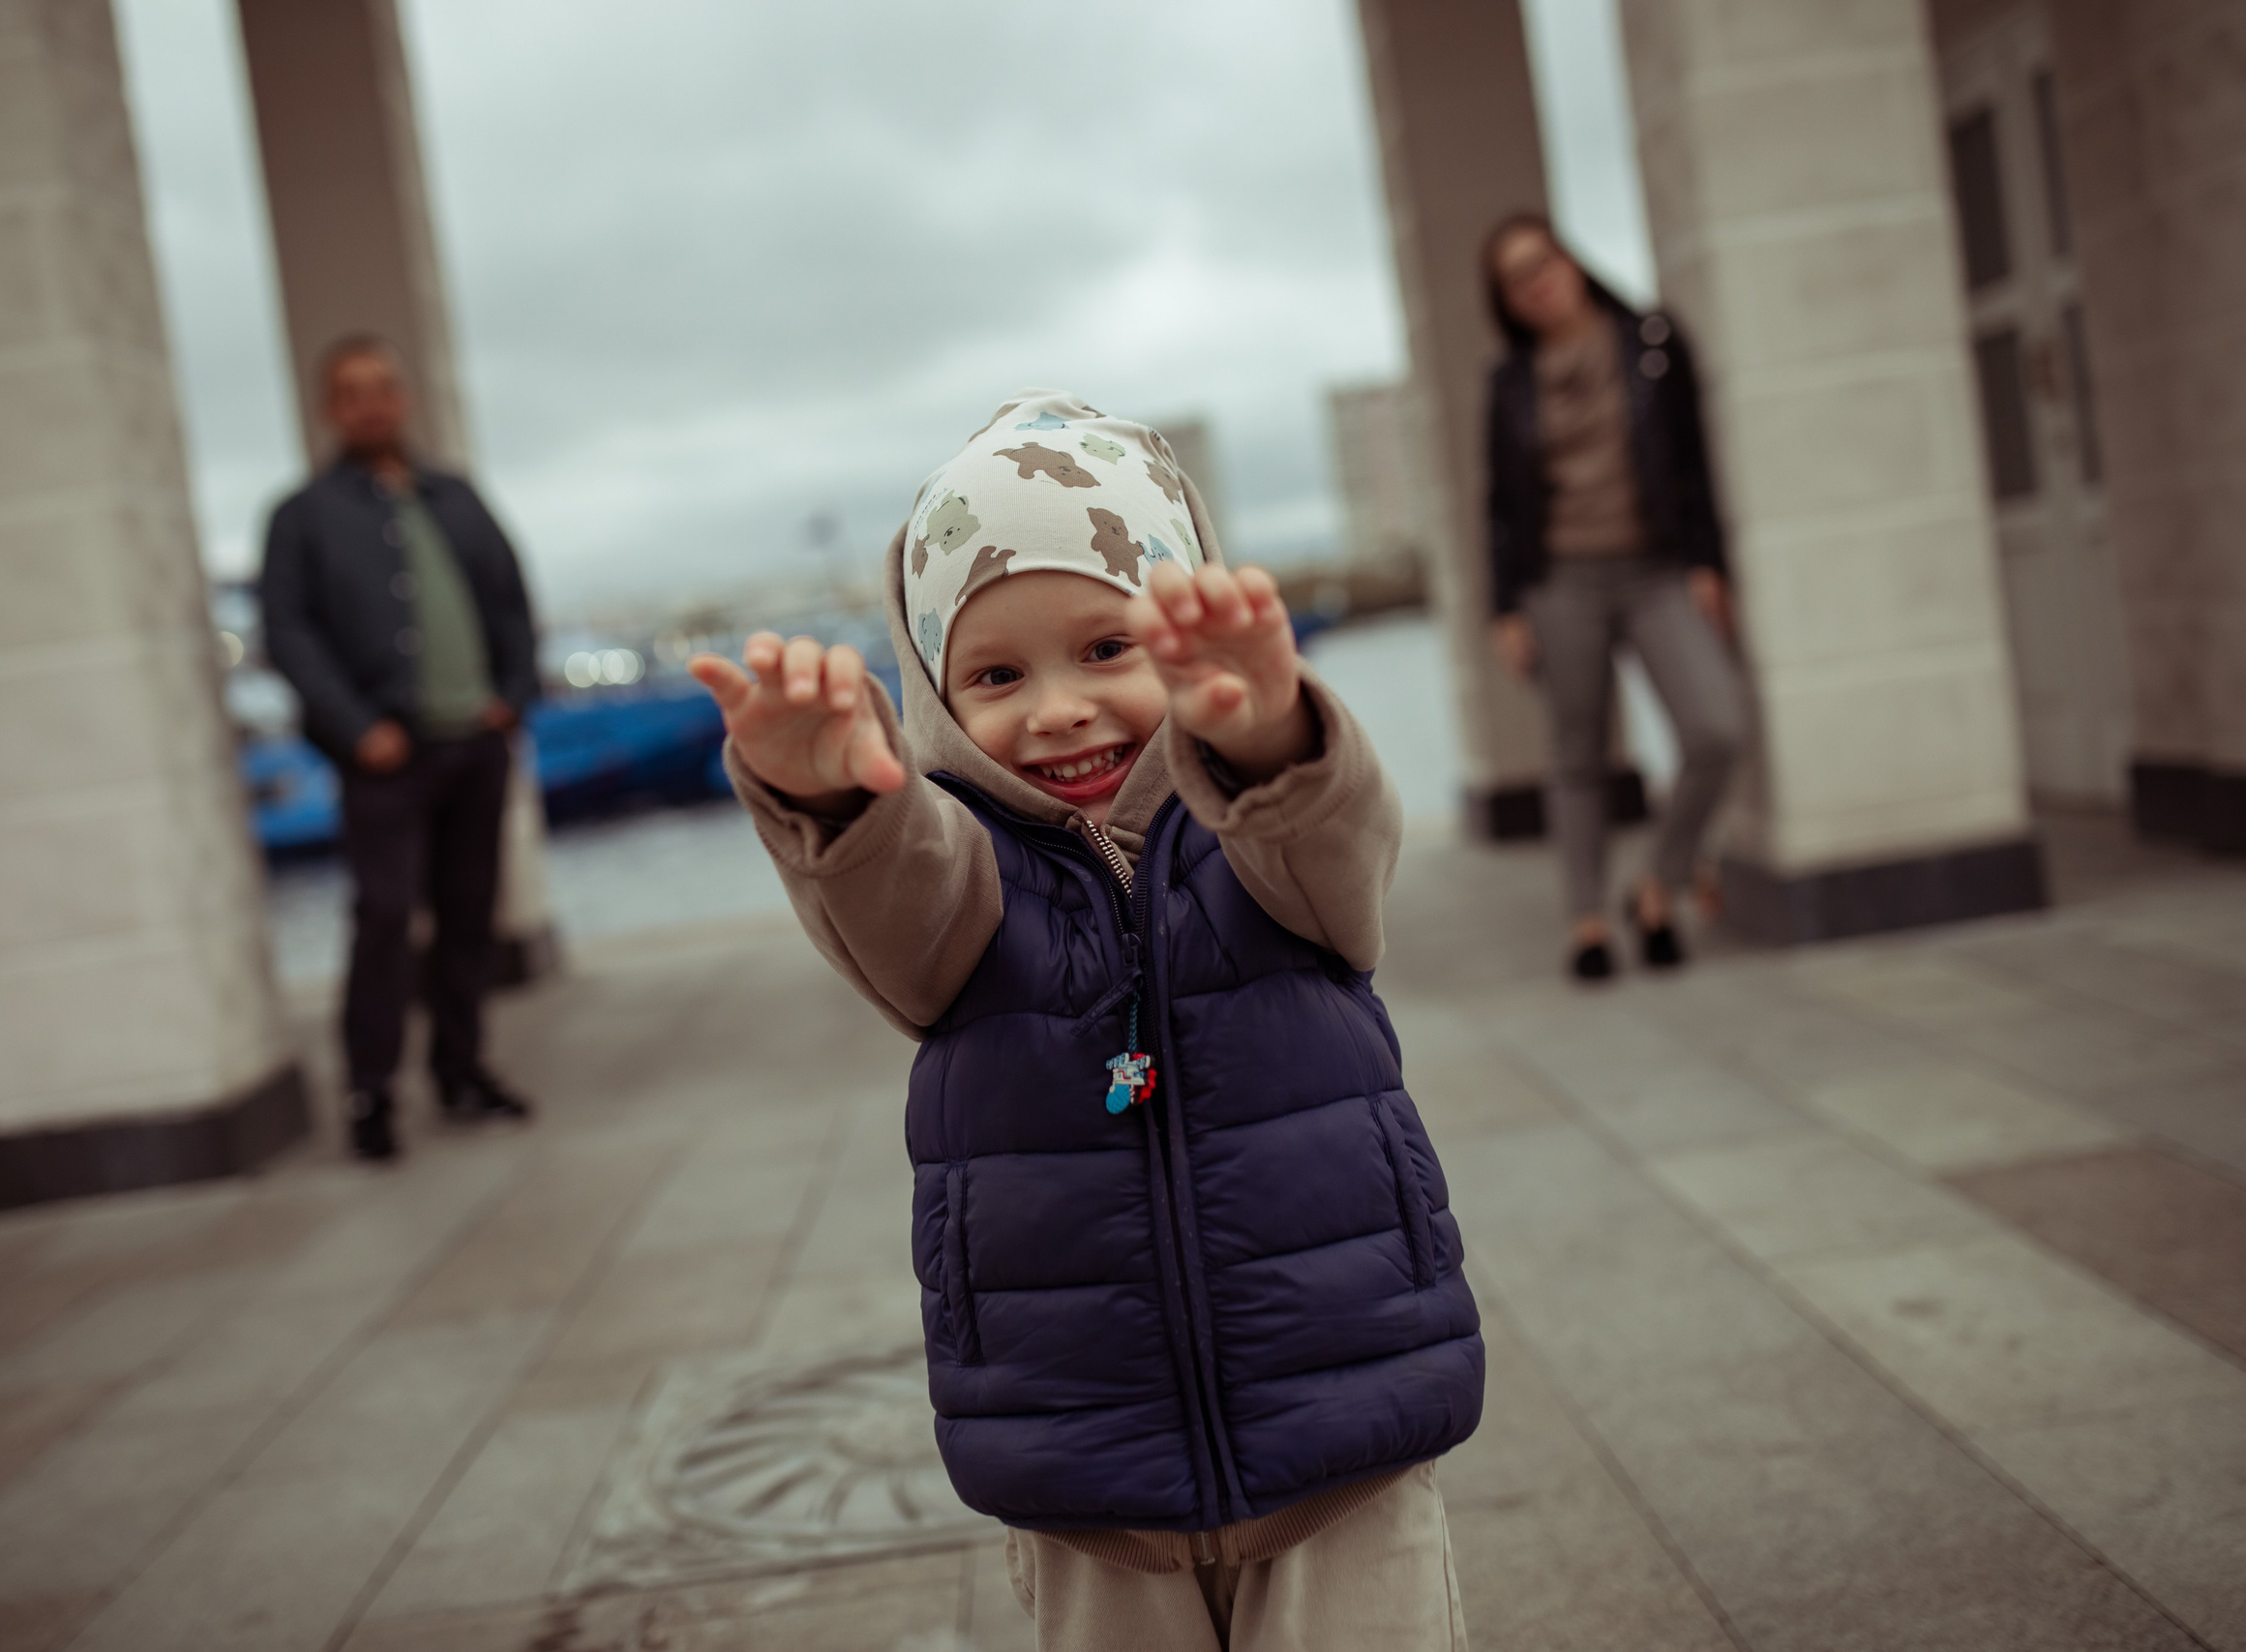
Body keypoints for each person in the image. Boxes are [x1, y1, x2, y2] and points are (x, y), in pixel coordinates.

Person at [691, 392, 1480, 1651]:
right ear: (939, 699)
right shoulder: (963, 876)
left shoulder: (1262, 835)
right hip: (1082, 1455)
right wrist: (833, 797)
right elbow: (900, 893)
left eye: (1106, 648)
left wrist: (1272, 728)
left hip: (1344, 1426)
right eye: (997, 674)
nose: (1055, 708)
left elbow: (1334, 833)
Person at [259, 336, 539, 1160]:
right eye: (352, 392)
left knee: (467, 914)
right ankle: (370, 1091)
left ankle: (461, 1071)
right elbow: (288, 632)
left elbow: (513, 604)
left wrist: (510, 701)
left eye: (383, 387)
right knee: (383, 919)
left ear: (402, 398)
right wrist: (355, 727)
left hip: (474, 744)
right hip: (384, 755)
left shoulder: (456, 497)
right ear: (329, 410)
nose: (371, 404)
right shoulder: (301, 516)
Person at [1482, 213, 1749, 981]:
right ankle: (1588, 919)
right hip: (1561, 580)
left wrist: (1708, 564)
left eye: (1544, 261)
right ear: (1504, 299)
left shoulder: (1652, 342)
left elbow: (1695, 461)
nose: (1536, 281)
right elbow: (1500, 503)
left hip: (1658, 569)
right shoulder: (1508, 384)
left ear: (1571, 261)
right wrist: (1506, 606)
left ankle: (1657, 883)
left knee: (1716, 727)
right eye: (1515, 277)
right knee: (1579, 753)